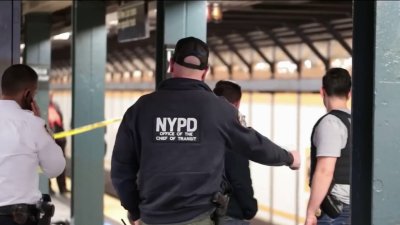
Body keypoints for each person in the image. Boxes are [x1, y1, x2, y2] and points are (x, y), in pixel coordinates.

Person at [111, 36, 300, 225]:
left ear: (171, 64)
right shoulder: (219, 109)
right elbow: (255, 145)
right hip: (199, 217)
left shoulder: (141, 109)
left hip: (152, 217)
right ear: (205, 71)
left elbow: (121, 169)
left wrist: (135, 211)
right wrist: (288, 157)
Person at [0, 64, 66, 225]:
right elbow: (55, 168)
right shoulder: (32, 124)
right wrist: (43, 127)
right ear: (27, 94)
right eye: (34, 94)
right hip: (17, 218)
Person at [305, 68, 352, 225]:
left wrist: (311, 212)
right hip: (355, 205)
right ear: (349, 93)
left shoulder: (330, 123)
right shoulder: (356, 122)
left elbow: (325, 171)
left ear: (322, 92)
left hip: (336, 212)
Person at [213, 80, 257, 225]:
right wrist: (249, 208)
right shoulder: (234, 135)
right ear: (237, 104)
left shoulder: (203, 128)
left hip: (203, 212)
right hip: (230, 213)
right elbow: (240, 178)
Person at [48, 93, 68, 195]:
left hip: (59, 140)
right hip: (49, 141)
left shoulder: (55, 106)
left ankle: (62, 187)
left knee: (61, 164)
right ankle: (48, 188)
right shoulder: (40, 107)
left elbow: (61, 121)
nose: (50, 96)